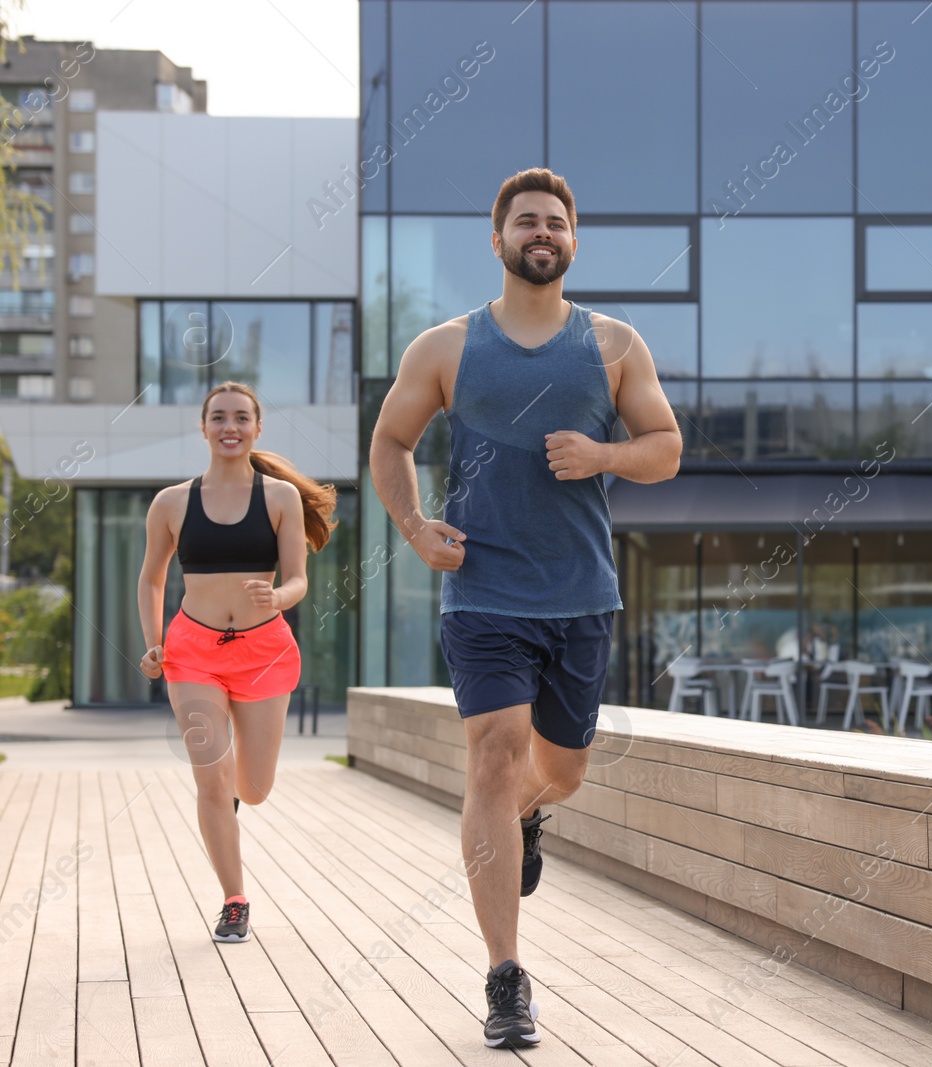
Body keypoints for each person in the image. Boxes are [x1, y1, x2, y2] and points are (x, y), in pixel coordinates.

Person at [370, 167, 680, 1050]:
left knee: (562, 770)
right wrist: (414, 525)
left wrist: (602, 454)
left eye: (554, 223)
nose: (539, 233)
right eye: (524, 222)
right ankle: (507, 976)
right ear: (497, 239)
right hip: (485, 595)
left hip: (580, 596)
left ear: (572, 242)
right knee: (493, 758)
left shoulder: (615, 344)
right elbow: (391, 441)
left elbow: (664, 449)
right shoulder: (446, 347)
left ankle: (531, 813)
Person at [137, 381, 338, 943]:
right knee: (210, 776)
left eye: (241, 418)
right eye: (219, 417)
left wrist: (280, 598)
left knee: (253, 787)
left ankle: (232, 796)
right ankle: (234, 899)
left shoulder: (279, 498)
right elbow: (153, 578)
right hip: (192, 652)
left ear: (256, 428)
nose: (230, 426)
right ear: (203, 428)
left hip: (264, 652)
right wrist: (154, 642)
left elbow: (298, 577)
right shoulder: (172, 502)